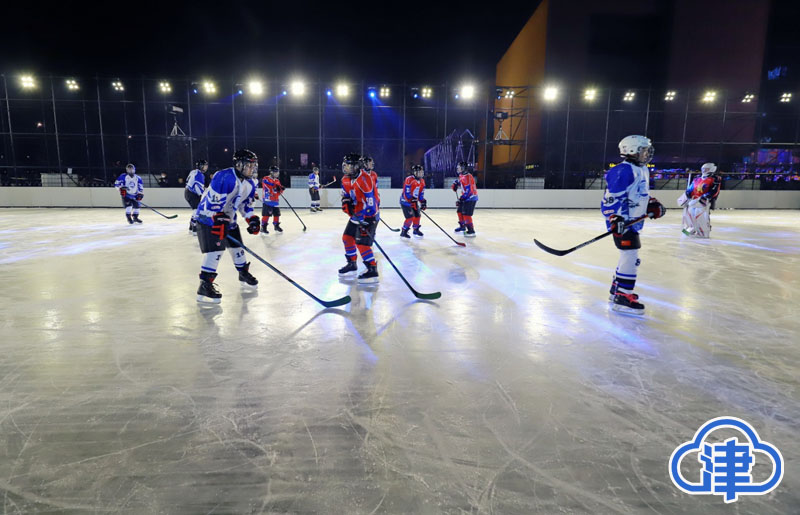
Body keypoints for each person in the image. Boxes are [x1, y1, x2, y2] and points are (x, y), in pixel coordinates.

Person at [601, 135, 665, 315]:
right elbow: (610, 200)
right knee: (631, 256)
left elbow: (639, 193)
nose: (647, 154)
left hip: (633, 222)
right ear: (631, 151)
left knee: (628, 256)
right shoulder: (623, 171)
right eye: (643, 150)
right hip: (623, 223)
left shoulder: (642, 169)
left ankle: (616, 288)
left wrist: (652, 203)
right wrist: (614, 219)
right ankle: (622, 297)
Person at [194, 149, 261, 304]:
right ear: (238, 165)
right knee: (215, 250)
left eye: (254, 166)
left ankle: (243, 273)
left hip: (228, 219)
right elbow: (212, 205)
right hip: (207, 218)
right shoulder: (223, 177)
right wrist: (218, 221)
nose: (252, 169)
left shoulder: (250, 184)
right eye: (249, 166)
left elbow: (246, 206)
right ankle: (204, 285)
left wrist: (252, 220)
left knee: (238, 248)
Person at [338, 153, 380, 283]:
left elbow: (371, 203)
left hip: (369, 215)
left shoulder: (365, 179)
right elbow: (346, 194)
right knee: (347, 238)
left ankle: (372, 268)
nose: (346, 168)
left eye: (349, 165)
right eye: (345, 165)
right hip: (357, 214)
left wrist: (366, 219)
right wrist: (346, 202)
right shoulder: (345, 179)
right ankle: (352, 263)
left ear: (357, 166)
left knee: (362, 243)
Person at [680, 162, 721, 238]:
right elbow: (691, 188)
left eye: (706, 169)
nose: (704, 171)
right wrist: (687, 194)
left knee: (701, 217)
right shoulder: (697, 178)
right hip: (693, 200)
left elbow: (715, 191)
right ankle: (690, 229)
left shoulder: (714, 179)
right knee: (689, 215)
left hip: (703, 202)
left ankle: (703, 232)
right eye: (703, 169)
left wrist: (706, 196)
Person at [399, 164, 426, 238]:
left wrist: (422, 201)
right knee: (410, 217)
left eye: (422, 172)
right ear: (415, 172)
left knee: (417, 215)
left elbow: (421, 194)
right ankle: (404, 231)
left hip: (414, 201)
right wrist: (411, 201)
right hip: (405, 202)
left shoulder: (422, 181)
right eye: (419, 172)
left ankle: (415, 229)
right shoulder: (409, 179)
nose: (421, 173)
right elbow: (406, 193)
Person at [452, 162, 478, 237]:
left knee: (466, 214)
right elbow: (461, 183)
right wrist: (456, 185)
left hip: (470, 198)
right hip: (465, 197)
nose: (457, 168)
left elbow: (469, 190)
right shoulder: (461, 175)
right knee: (459, 211)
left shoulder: (468, 176)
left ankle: (471, 230)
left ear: (463, 168)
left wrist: (462, 198)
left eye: (459, 167)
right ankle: (462, 226)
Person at [185, 159, 208, 235]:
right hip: (192, 194)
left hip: (187, 192)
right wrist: (202, 195)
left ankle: (191, 228)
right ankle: (195, 228)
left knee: (196, 210)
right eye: (204, 166)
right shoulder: (199, 175)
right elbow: (198, 187)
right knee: (197, 210)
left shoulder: (193, 171)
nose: (206, 168)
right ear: (201, 166)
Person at [260, 165, 285, 233]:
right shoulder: (266, 178)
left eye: (278, 172)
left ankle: (276, 225)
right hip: (268, 200)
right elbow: (268, 187)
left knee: (277, 214)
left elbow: (278, 192)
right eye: (276, 172)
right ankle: (263, 227)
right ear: (271, 172)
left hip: (275, 200)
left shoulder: (277, 180)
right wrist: (275, 187)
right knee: (266, 214)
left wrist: (281, 189)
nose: (277, 173)